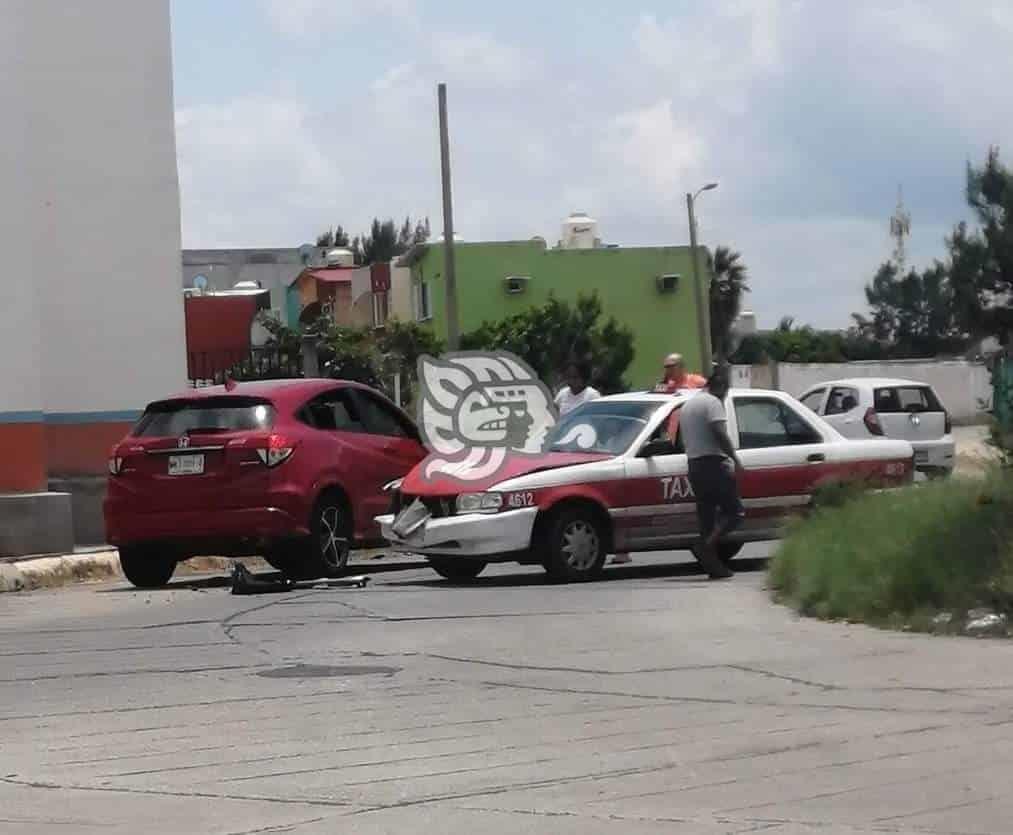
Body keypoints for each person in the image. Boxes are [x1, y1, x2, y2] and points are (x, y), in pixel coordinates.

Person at [679, 365, 744, 580]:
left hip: (694, 465)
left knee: (706, 518)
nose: (726, 396)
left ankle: (714, 567)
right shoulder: (713, 403)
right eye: (725, 391)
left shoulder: (689, 404)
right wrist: (734, 458)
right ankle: (706, 547)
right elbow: (720, 434)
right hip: (713, 464)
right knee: (735, 513)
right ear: (721, 387)